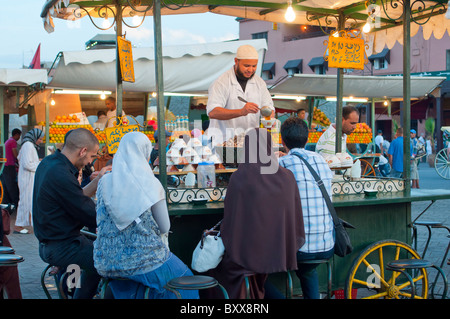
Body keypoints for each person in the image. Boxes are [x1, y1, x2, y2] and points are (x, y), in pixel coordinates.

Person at [93, 131, 198, 299]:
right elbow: (165, 227)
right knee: (186, 280)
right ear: (145, 153)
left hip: (105, 261)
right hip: (144, 260)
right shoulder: (150, 183)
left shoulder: (104, 182)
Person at [207, 128, 305, 299]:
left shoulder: (239, 178)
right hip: (280, 250)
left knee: (218, 268)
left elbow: (230, 218)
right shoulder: (287, 177)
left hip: (246, 253)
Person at [33, 128, 111, 299]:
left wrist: (98, 181)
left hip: (57, 241)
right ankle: (78, 294)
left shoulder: (49, 163)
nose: (90, 162)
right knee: (108, 261)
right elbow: (89, 212)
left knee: (93, 257)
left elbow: (76, 197)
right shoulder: (60, 173)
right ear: (83, 151)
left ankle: (74, 291)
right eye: (92, 156)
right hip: (61, 246)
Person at [278, 117, 334, 299]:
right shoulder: (321, 161)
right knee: (308, 271)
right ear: (307, 138)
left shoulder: (283, 164)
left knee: (255, 268)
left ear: (282, 140)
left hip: (299, 248)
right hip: (327, 243)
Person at [206, 44, 274, 145]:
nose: (250, 70)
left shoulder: (260, 83)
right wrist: (241, 111)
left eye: (254, 66)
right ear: (236, 61)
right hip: (224, 143)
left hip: (250, 143)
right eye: (246, 66)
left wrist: (269, 119)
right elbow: (213, 112)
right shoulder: (221, 82)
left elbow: (269, 108)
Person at [14, 128, 44, 234]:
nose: (41, 141)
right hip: (27, 179)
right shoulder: (28, 146)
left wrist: (38, 161)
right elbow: (27, 164)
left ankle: (28, 223)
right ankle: (18, 226)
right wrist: (40, 164)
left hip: (28, 178)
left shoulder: (29, 145)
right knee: (25, 201)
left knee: (29, 201)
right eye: (40, 139)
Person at [0, 128, 21, 207]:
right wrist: (20, 159)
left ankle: (7, 202)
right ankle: (15, 203)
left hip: (6, 165)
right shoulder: (13, 142)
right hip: (9, 165)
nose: (19, 138)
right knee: (12, 184)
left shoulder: (8, 140)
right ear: (16, 135)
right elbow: (15, 154)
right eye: (19, 136)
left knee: (6, 184)